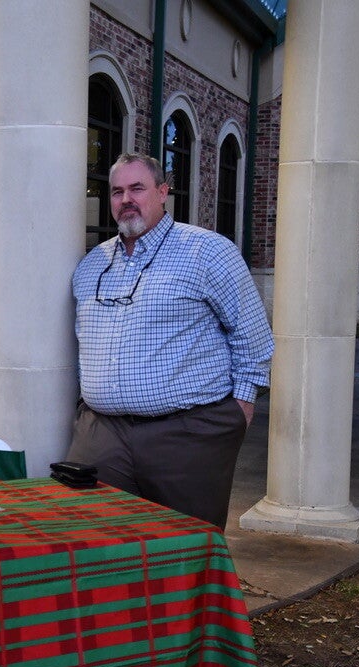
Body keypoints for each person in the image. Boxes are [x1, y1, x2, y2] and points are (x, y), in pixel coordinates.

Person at [66, 153, 274, 530]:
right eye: (117, 191)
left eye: (137, 188)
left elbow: (253, 338)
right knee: (92, 540)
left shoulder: (208, 252)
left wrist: (238, 413)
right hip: (102, 436)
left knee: (185, 545)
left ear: (163, 192)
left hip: (187, 434)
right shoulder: (92, 264)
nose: (126, 199)